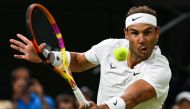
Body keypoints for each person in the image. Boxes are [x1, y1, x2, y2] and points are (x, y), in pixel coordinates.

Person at [10, 6, 171, 109]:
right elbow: (79, 61)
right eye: (135, 33)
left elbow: (131, 98)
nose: (141, 39)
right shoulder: (109, 47)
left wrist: (102, 108)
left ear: (156, 33)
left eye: (147, 32)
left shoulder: (160, 69)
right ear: (126, 34)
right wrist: (45, 55)